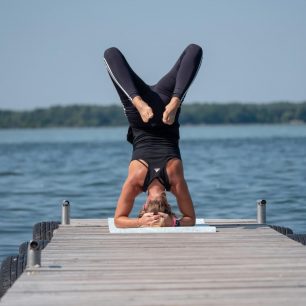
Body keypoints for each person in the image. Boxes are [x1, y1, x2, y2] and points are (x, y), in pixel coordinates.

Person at [104, 43, 203, 228]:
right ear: (168, 205)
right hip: (168, 111)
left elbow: (119, 220)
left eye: (151, 215)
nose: (156, 215)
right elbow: (190, 219)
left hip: (140, 113)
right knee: (194, 50)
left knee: (111, 54)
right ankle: (176, 100)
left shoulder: (136, 182)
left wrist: (139, 222)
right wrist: (174, 223)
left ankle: (138, 99)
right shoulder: (174, 181)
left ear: (144, 206)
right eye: (161, 216)